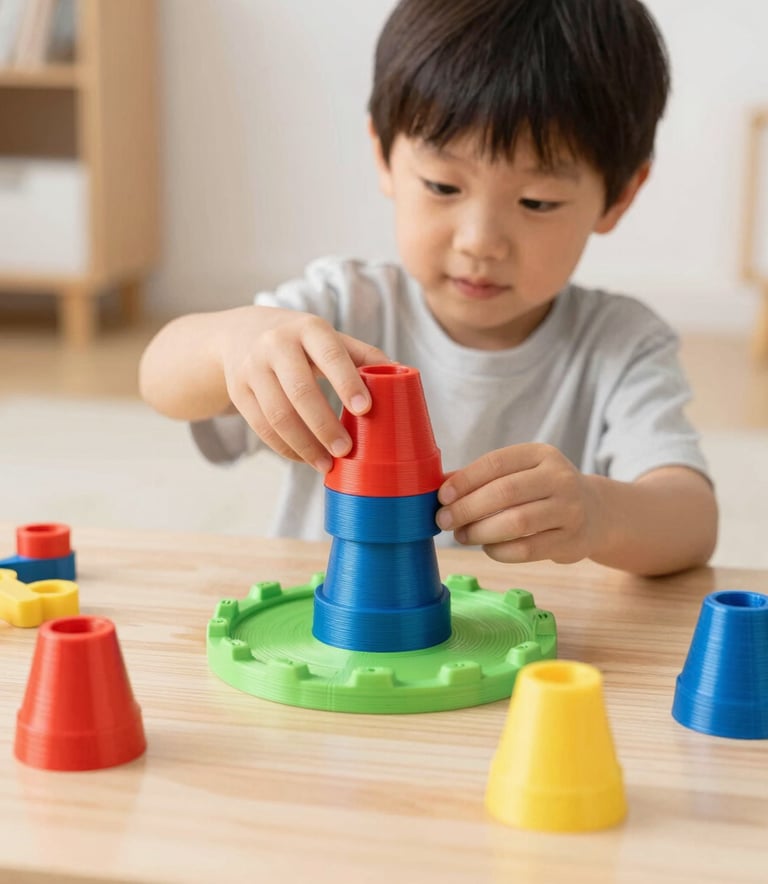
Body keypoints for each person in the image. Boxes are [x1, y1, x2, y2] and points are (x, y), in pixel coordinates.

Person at [140, 0, 718, 576]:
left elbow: (691, 521)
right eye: (444, 186)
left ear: (620, 195)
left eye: (536, 202)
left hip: (525, 659)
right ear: (384, 156)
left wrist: (598, 513)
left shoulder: (620, 345)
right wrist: (234, 342)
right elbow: (159, 377)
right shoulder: (340, 307)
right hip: (333, 655)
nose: (480, 241)